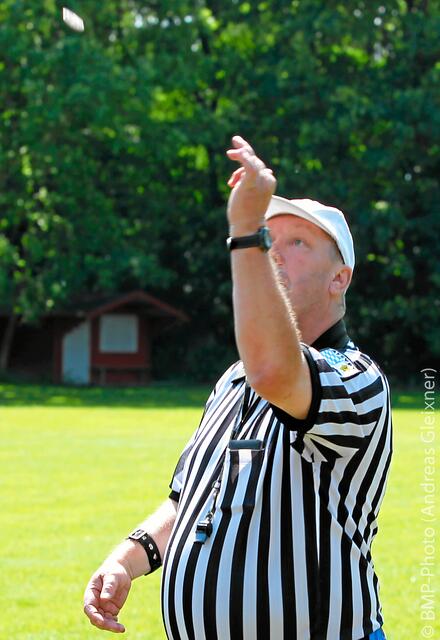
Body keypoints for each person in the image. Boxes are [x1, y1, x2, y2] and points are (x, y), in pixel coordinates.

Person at [84, 136, 392, 640]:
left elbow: (276, 371)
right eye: (269, 238)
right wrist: (126, 558)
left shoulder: (357, 377)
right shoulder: (232, 378)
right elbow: (189, 499)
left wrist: (247, 231)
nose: (274, 253)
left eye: (297, 243)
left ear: (340, 279)